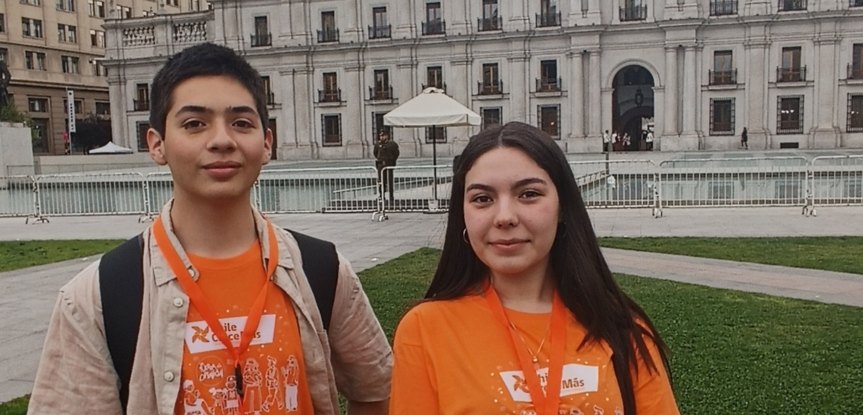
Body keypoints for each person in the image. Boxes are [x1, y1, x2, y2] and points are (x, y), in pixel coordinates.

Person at [28, 43, 391, 415]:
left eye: (241, 123)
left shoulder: (322, 269)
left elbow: (375, 387)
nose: (222, 140)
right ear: (157, 145)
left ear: (266, 144)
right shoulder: (98, 296)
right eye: (194, 124)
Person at [389, 122, 679, 415]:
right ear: (462, 215)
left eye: (528, 194)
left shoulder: (622, 328)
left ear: (563, 206)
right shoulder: (425, 330)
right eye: (482, 199)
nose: (504, 217)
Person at [373, 129, 399, 204]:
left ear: (387, 136)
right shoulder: (378, 144)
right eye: (380, 136)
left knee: (390, 181)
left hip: (389, 163)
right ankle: (382, 195)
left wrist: (392, 160)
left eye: (383, 136)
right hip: (381, 164)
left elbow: (396, 153)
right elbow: (375, 153)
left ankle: (391, 196)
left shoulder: (392, 144)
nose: (381, 137)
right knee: (381, 181)